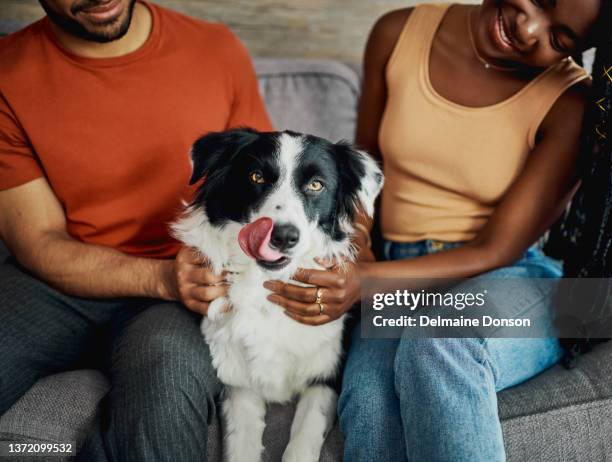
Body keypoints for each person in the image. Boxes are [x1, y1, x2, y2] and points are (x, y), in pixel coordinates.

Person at [263, 0, 610, 460]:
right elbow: (366, 173)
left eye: (559, 39)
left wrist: (366, 282)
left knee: (441, 338)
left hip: (507, 279)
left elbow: (498, 248)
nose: (529, 28)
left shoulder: (570, 103)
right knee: (369, 398)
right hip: (398, 281)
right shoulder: (398, 32)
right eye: (541, 0)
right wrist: (358, 250)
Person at [0, 0, 272, 460]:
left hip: (191, 280)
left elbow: (267, 193)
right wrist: (159, 278)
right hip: (58, 280)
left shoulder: (215, 49)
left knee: (166, 382)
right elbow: (38, 241)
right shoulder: (8, 74)